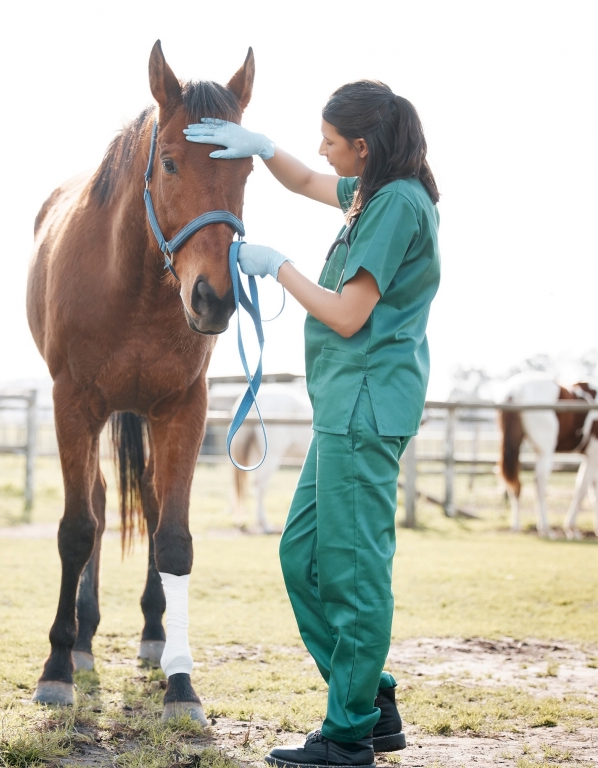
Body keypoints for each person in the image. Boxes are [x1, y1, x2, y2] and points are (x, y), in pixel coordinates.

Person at [185, 79, 440, 768]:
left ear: (363, 145)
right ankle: (372, 701)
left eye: (330, 141)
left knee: (353, 575)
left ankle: (348, 733)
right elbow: (303, 179)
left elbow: (347, 314)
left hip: (364, 408)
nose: (321, 153)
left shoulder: (394, 206)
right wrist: (262, 148)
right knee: (302, 557)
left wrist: (278, 268)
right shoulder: (374, 192)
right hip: (342, 409)